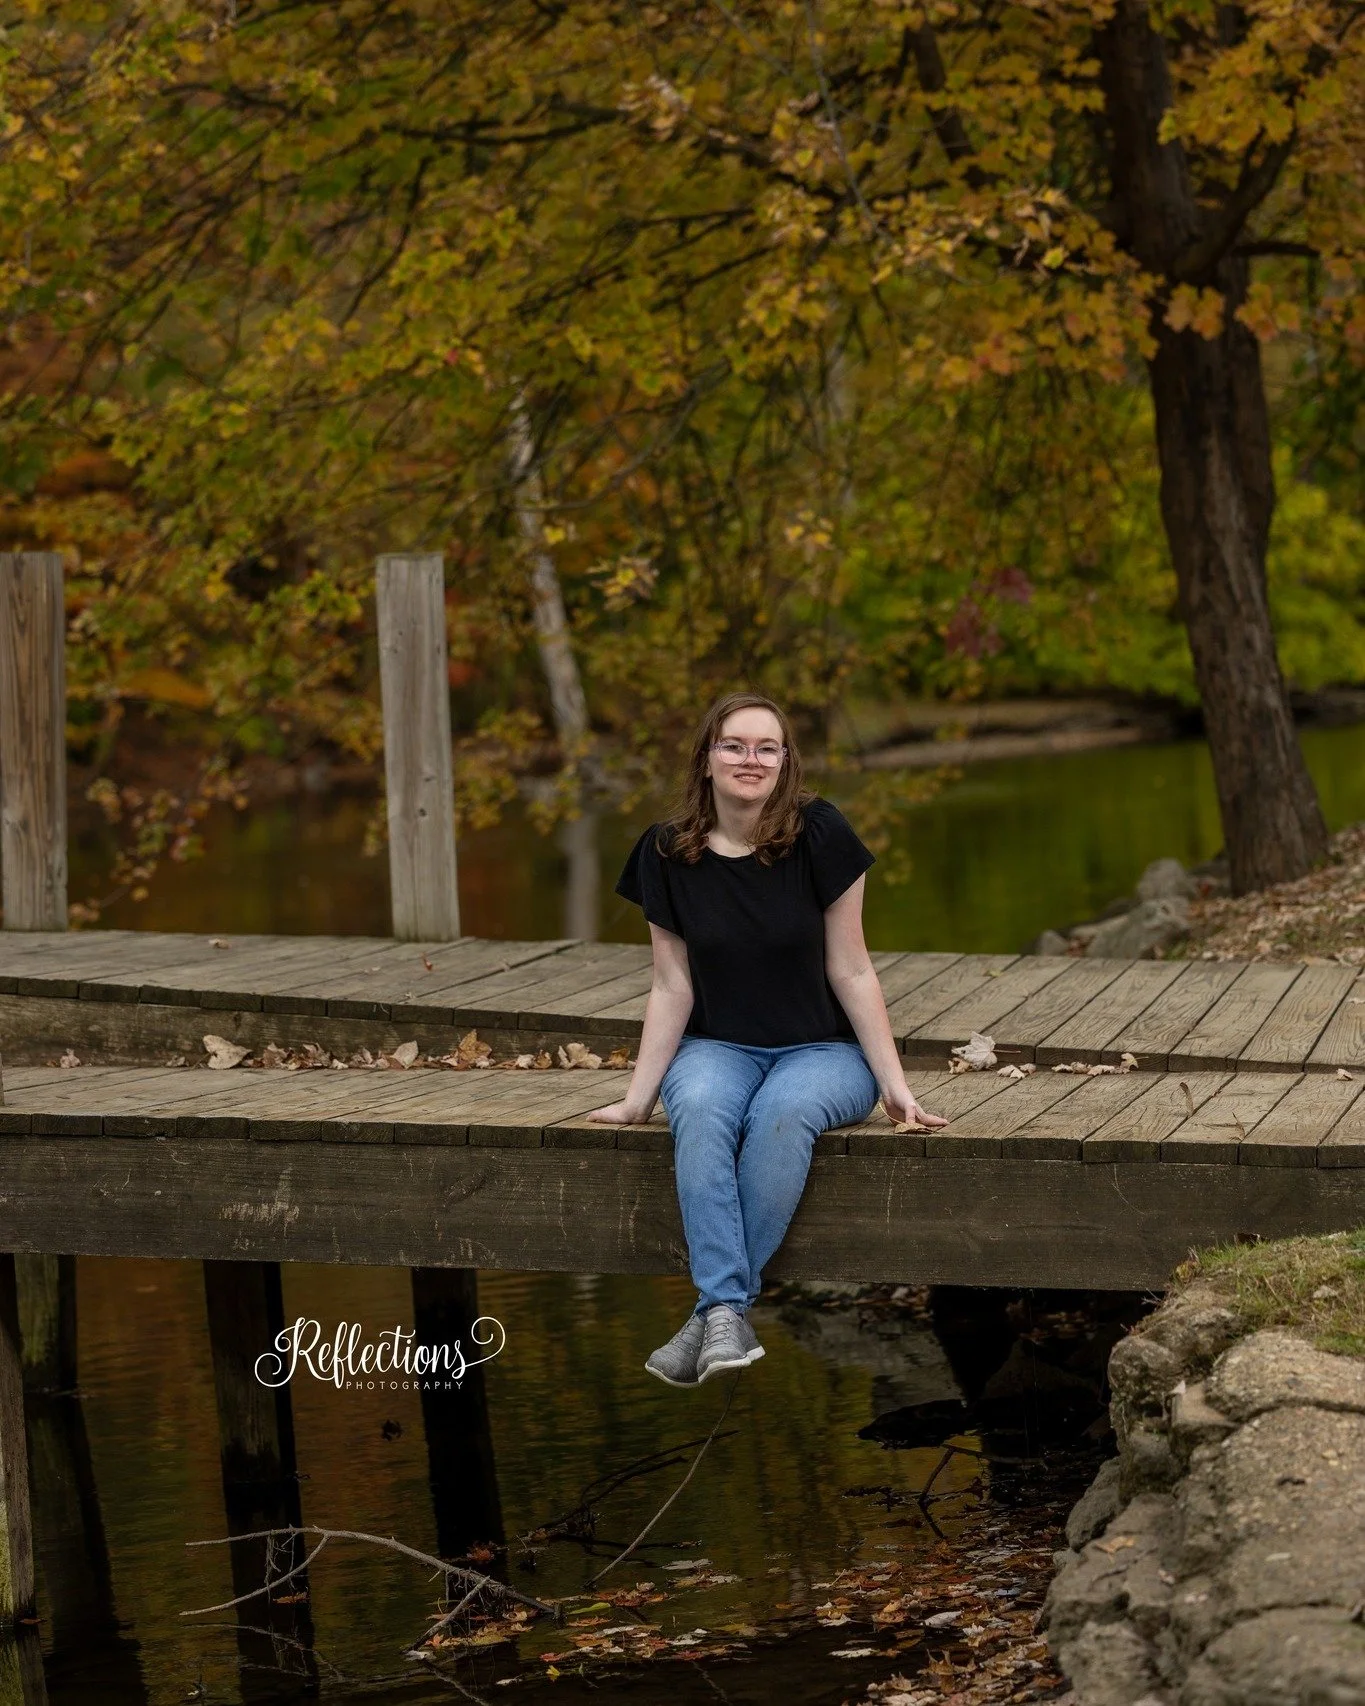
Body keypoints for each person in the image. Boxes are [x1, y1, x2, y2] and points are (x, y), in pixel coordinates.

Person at [587, 691, 948, 1388]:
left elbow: (851, 967)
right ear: (706, 758)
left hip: (824, 1053)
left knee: (779, 1116)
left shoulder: (819, 833)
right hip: (716, 1046)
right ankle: (724, 1313)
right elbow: (671, 987)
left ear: (785, 762)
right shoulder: (665, 852)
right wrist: (636, 1100)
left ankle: (715, 1310)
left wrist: (896, 1086)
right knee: (697, 1109)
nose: (750, 760)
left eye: (766, 748)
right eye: (734, 745)